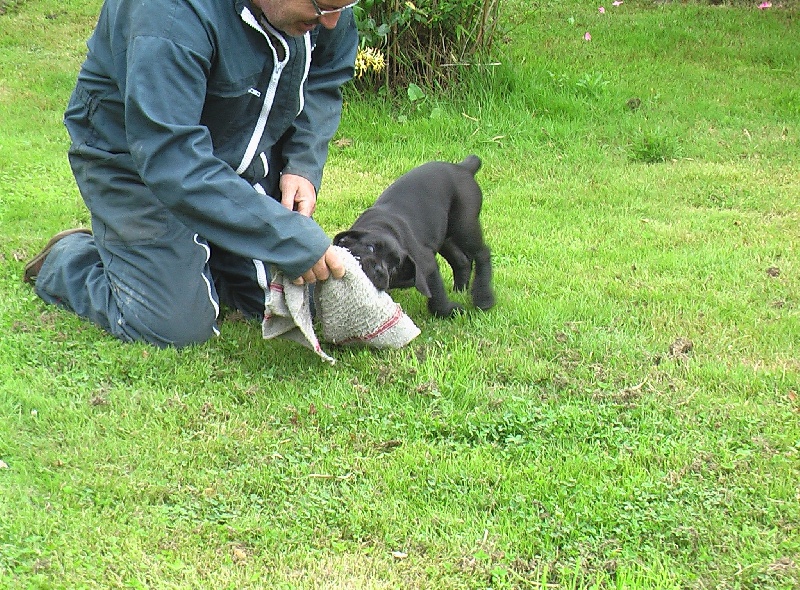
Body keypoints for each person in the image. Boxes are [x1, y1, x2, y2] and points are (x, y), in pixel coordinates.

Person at [23, 0, 360, 348]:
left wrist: (302, 161)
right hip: (136, 160)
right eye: (323, 7)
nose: (333, 22)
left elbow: (326, 72)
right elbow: (172, 159)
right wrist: (289, 237)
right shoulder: (167, 15)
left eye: (344, 5)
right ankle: (70, 260)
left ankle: (187, 257)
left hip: (230, 153)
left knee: (272, 300)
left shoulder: (323, 8)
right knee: (176, 327)